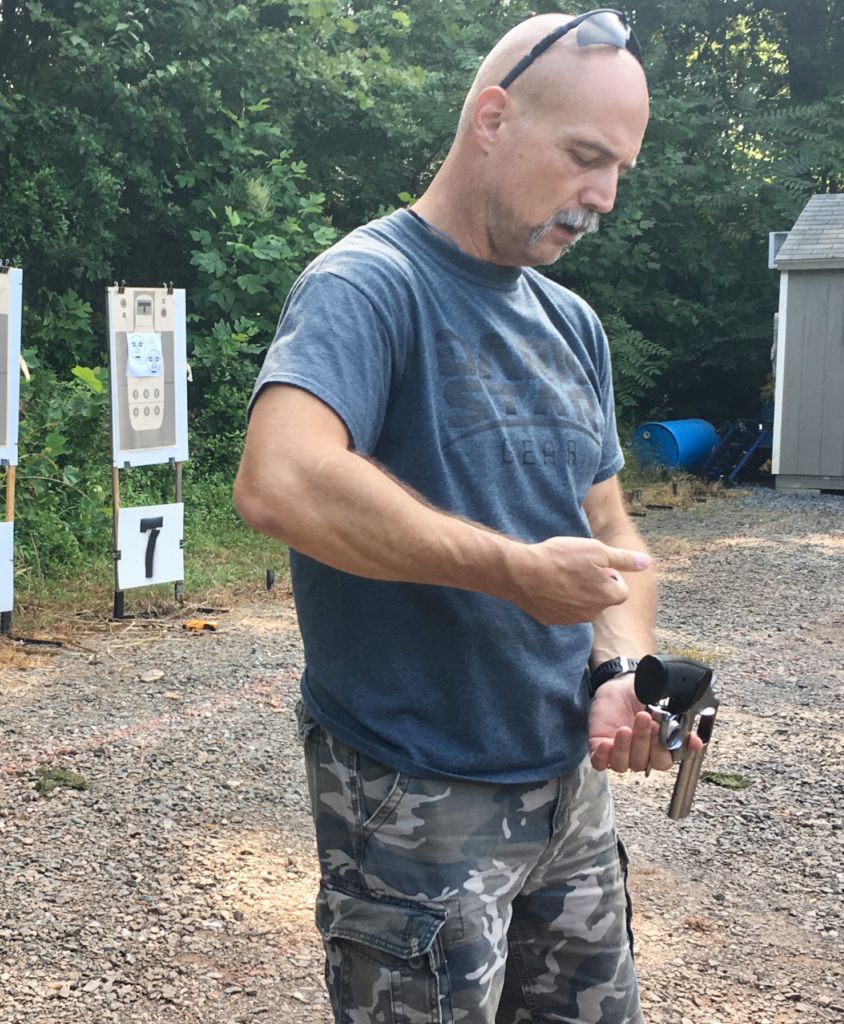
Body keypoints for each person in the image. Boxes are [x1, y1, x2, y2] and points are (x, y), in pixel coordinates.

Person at [234, 11, 693, 1023]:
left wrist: (620, 670)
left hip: (567, 795)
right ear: (492, 118)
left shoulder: (569, 323)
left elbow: (619, 544)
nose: (602, 198)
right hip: (413, 794)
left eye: (619, 169)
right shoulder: (367, 285)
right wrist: (513, 572)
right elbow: (282, 480)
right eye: (584, 158)